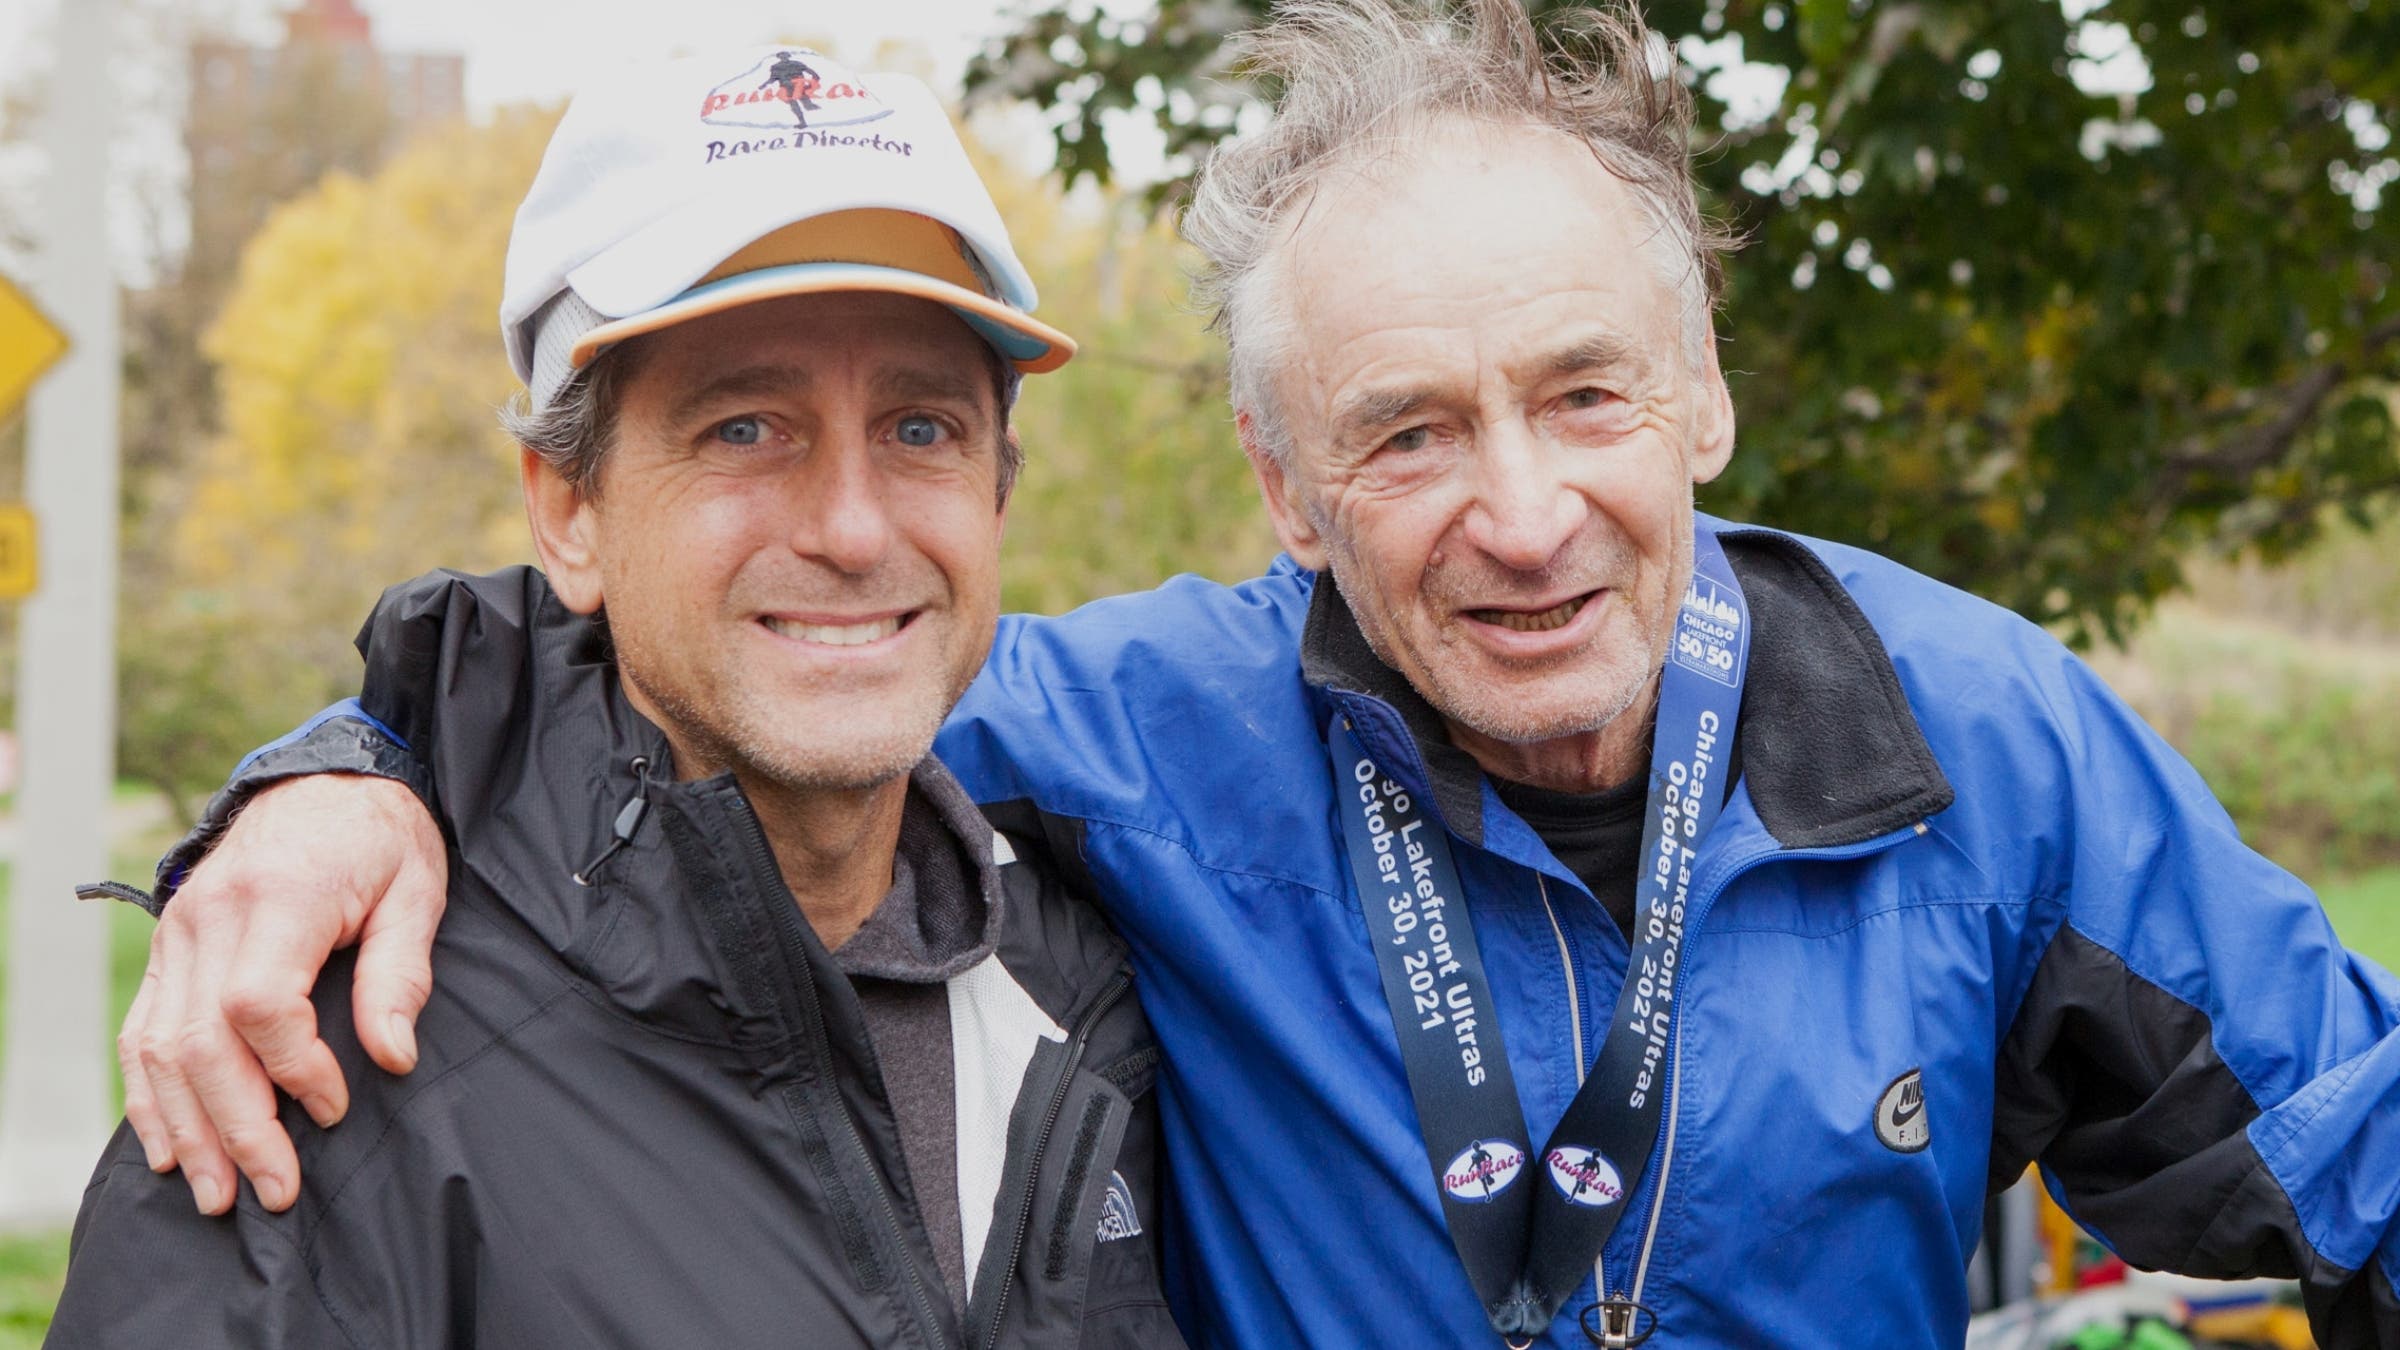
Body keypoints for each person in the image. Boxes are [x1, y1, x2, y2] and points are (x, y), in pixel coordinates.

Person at [109, 2, 2400, 1347]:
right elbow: (717, 679)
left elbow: (2352, 1172)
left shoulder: (1969, 741)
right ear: (1284, 488)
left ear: (1703, 396)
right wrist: (339, 771)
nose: (1515, 512)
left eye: (1585, 397)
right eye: (1406, 432)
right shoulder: (1128, 740)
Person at [50, 45, 1181, 1350]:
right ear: (569, 508)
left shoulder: (1087, 970)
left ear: (999, 491)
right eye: (744, 427)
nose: (856, 526)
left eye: (923, 427)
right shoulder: (316, 1067)